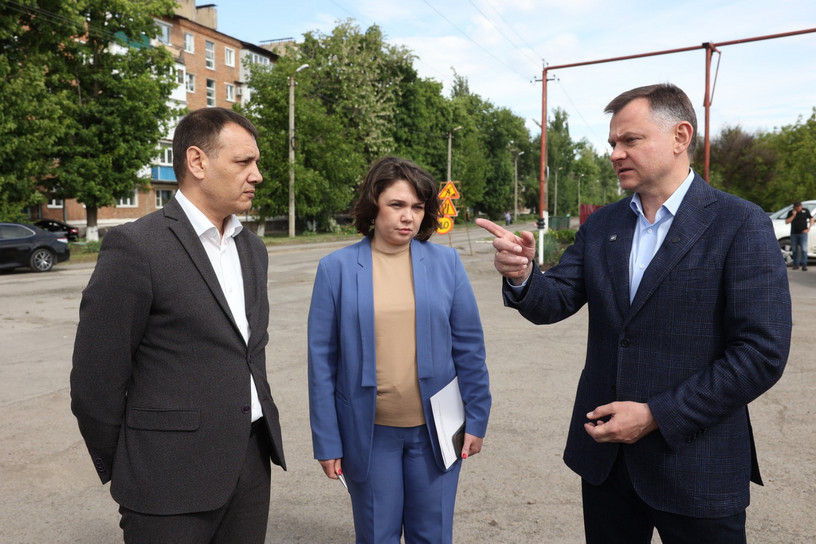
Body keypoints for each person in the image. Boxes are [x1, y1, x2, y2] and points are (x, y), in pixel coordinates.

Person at [477, 83, 791, 544]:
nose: (615, 154)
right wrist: (524, 273)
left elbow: (761, 354)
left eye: (630, 140)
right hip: (607, 464)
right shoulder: (603, 224)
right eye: (612, 143)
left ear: (680, 136)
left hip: (696, 466)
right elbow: (555, 299)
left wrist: (656, 415)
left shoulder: (740, 223)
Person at [70, 107, 286, 543]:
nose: (257, 175)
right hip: (166, 480)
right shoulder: (136, 247)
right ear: (197, 162)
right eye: (243, 162)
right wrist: (131, 465)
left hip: (249, 465)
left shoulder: (252, 249)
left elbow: (248, 353)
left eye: (257, 162)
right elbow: (96, 379)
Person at [308, 156, 491, 543]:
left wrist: (476, 418)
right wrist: (327, 440)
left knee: (432, 535)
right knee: (378, 535)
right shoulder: (335, 269)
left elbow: (470, 348)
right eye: (397, 204)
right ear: (373, 205)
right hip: (370, 435)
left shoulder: (447, 263)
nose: (408, 217)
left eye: (418, 207)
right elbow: (322, 364)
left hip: (437, 430)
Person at [785, 201, 813, 270]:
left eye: (799, 206)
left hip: (803, 233)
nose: (798, 208)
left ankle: (804, 265)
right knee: (794, 250)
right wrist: (793, 215)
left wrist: (809, 228)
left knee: (804, 249)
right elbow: (787, 222)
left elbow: (811, 219)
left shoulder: (805, 211)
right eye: (797, 207)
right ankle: (796, 264)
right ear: (794, 207)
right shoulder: (791, 212)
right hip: (794, 233)